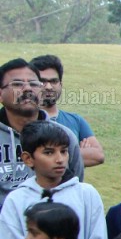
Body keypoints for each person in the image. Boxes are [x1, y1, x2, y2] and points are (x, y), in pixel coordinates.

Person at [0, 58, 85, 201]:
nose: (27, 89)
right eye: (17, 84)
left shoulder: (64, 136)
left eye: (34, 84)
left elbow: (74, 185)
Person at [31, 54, 104, 168]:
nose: (49, 87)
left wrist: (46, 156)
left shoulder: (75, 120)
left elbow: (98, 156)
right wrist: (76, 151)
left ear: (61, 84)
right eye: (43, 81)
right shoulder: (25, 120)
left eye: (54, 81)